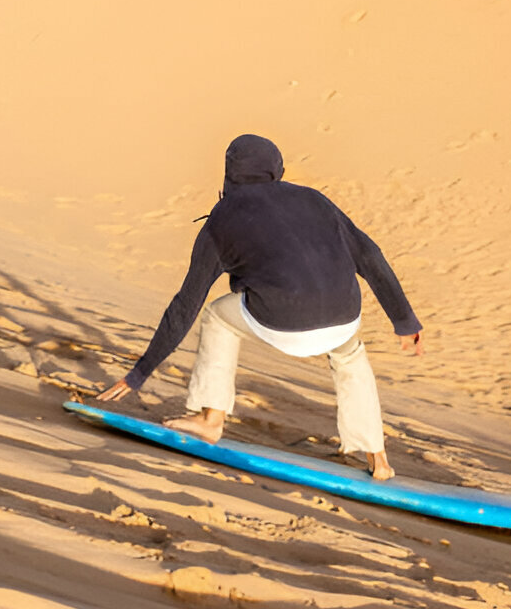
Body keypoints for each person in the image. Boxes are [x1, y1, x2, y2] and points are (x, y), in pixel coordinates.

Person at [96, 134, 423, 480]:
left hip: (282, 322)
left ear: (229, 172)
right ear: (277, 169)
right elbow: (370, 256)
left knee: (217, 317)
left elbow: (185, 305)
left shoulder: (221, 220)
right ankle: (378, 458)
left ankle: (211, 419)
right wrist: (404, 321)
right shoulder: (314, 199)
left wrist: (140, 372)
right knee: (351, 355)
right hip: (344, 317)